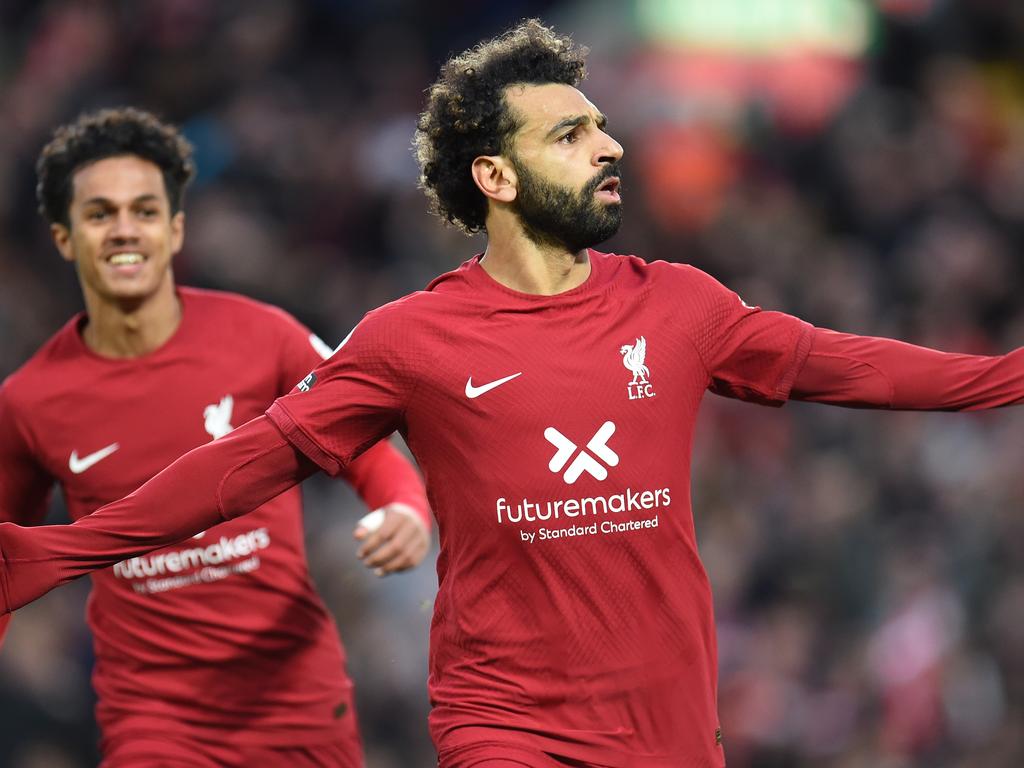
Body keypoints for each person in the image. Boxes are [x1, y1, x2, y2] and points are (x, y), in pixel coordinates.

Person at [0, 21, 1022, 768]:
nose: (610, 147)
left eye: (603, 128)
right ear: (493, 175)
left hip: (665, 727)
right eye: (571, 135)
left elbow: (856, 367)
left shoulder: (681, 306)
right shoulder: (407, 340)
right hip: (506, 727)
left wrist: (1008, 376)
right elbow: (245, 464)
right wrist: (58, 549)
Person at [0, 107, 431, 767]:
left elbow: (362, 443)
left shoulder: (265, 337)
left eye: (144, 210)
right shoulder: (29, 402)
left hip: (299, 703)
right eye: (99, 213)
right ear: (63, 236)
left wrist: (403, 506)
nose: (123, 231)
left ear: (174, 229)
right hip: (156, 721)